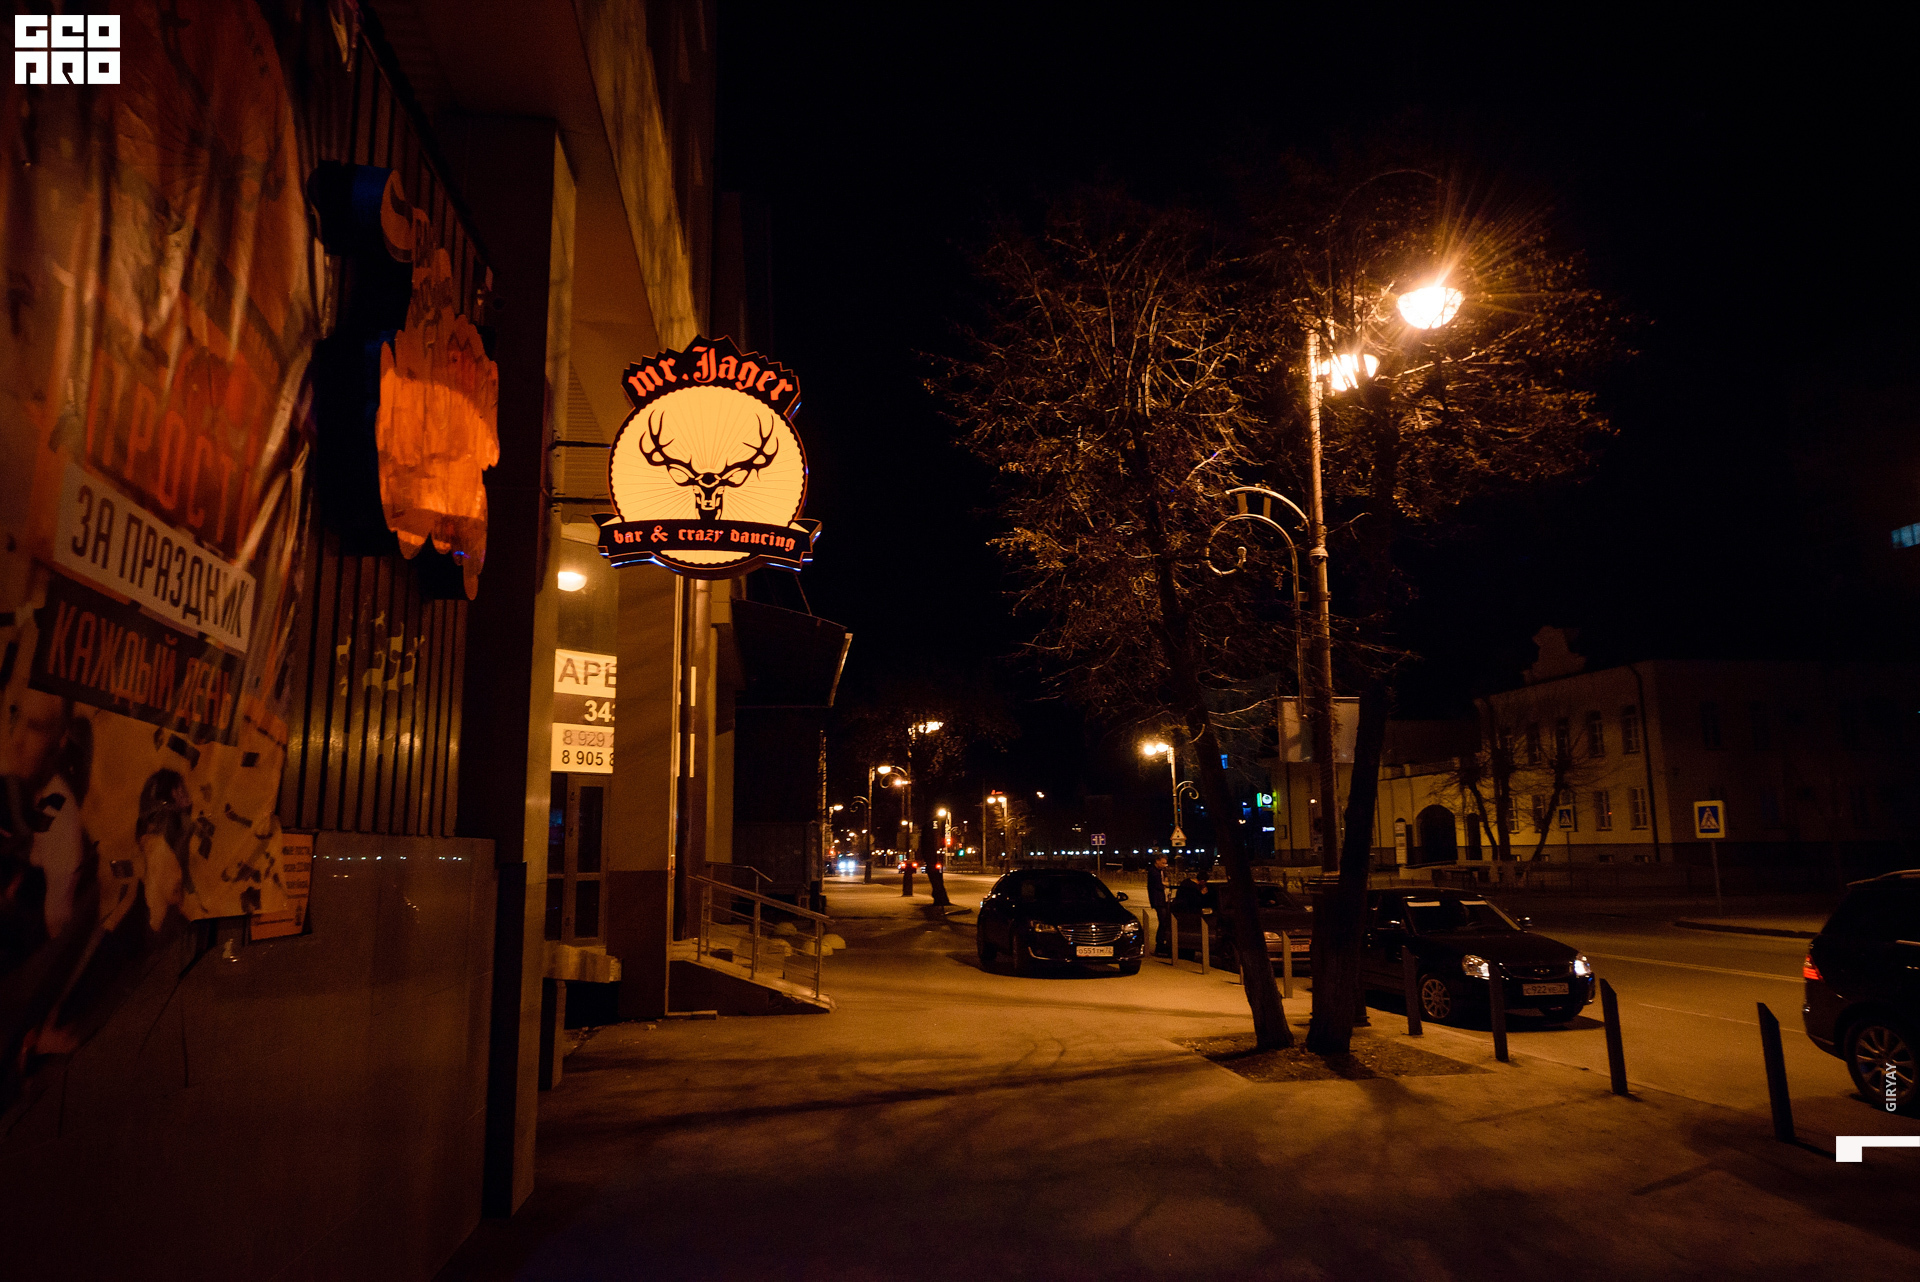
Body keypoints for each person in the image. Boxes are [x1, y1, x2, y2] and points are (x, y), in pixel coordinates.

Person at [1146, 854, 1171, 956]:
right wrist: (1164, 884)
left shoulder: (1161, 871)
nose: (1164, 865)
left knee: (1164, 921)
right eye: (1163, 863)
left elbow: (1166, 881)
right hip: (1157, 900)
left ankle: (1162, 943)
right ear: (1157, 861)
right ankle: (1159, 945)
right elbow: (1159, 885)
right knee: (1163, 921)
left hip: (1162, 899)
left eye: (1165, 863)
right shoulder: (1153, 872)